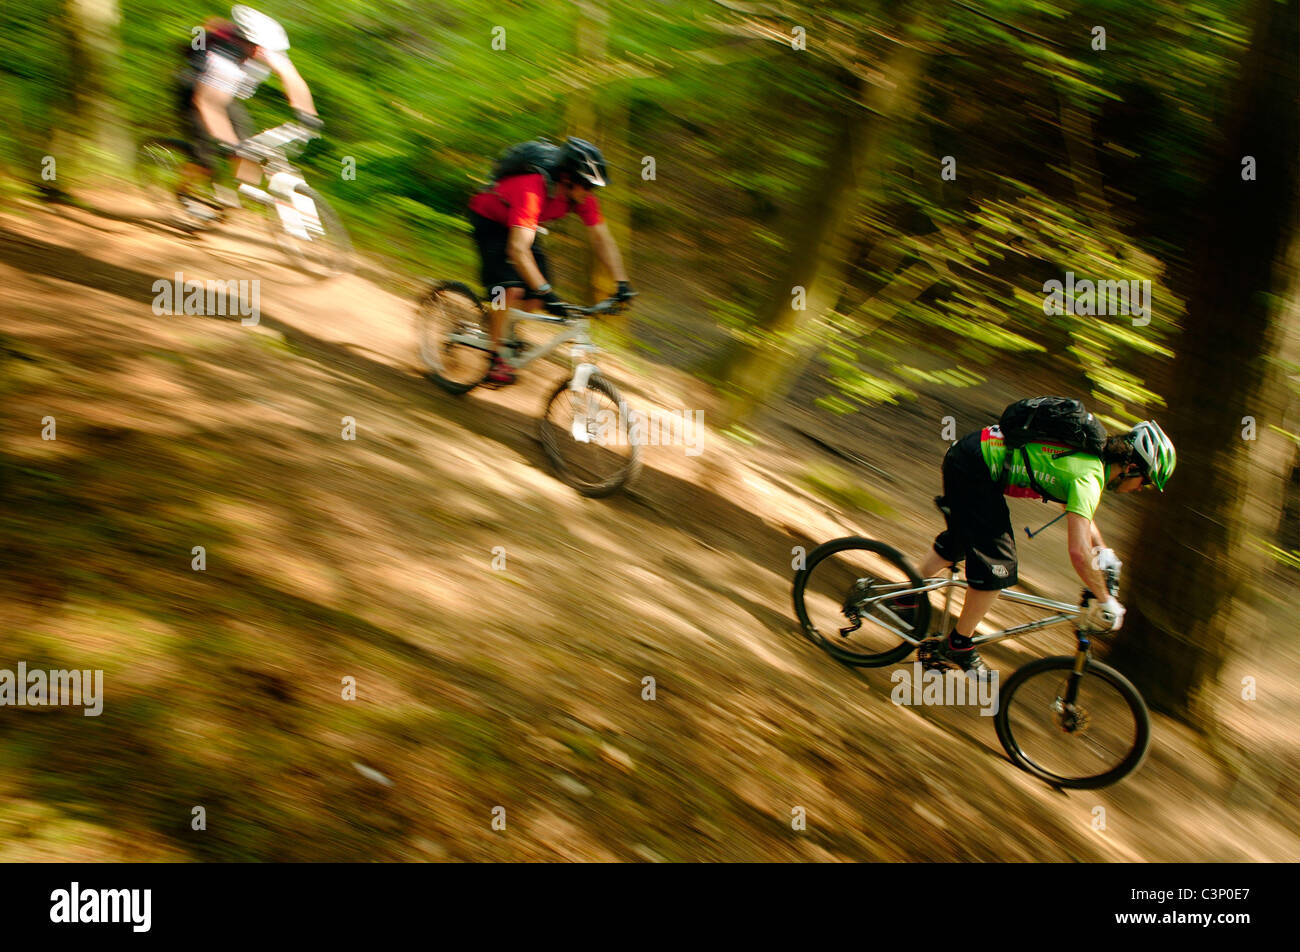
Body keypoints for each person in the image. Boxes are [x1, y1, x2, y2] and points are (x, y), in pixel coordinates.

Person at [912, 417, 1176, 674]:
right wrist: (1106, 601)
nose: (1141, 489)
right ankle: (959, 644)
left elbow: (1077, 513)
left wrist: (1103, 549)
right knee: (999, 564)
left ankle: (905, 596)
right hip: (973, 467)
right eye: (1146, 481)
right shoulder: (1090, 477)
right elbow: (1078, 552)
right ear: (1130, 468)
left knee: (963, 540)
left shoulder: (1092, 457)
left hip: (969, 456)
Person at [466, 137, 633, 385]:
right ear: (567, 179)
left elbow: (602, 240)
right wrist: (548, 292)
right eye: (587, 186)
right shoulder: (532, 188)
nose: (590, 193)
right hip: (490, 220)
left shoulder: (579, 197)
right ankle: (495, 354)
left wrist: (621, 282)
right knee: (507, 288)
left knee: (534, 297)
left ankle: (498, 324)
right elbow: (517, 250)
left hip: (520, 226)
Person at [175, 5, 320, 215]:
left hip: (226, 94)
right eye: (260, 48)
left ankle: (233, 193)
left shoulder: (268, 49)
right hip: (195, 93)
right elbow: (208, 105)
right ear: (245, 42)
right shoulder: (223, 60)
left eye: (268, 49)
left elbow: (292, 79)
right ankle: (185, 192)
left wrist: (308, 116)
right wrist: (228, 143)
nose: (265, 54)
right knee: (206, 156)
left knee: (248, 148)